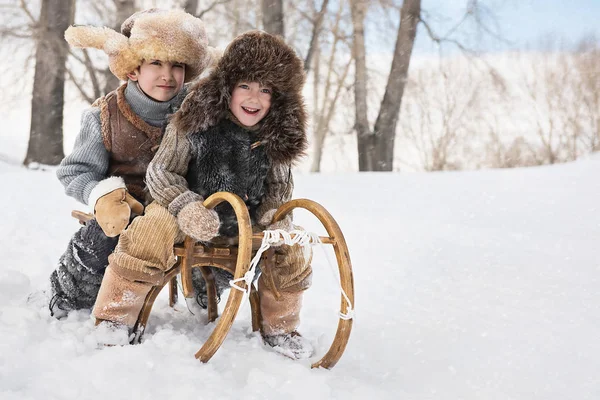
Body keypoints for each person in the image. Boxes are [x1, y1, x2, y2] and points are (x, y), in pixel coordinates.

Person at [95, 30, 314, 359]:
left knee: (291, 246)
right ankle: (115, 315)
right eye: (245, 86)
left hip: (246, 221)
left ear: (278, 97)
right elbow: (162, 171)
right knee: (149, 229)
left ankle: (281, 326)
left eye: (265, 90)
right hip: (183, 211)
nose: (254, 98)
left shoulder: (274, 135)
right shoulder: (194, 119)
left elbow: (279, 189)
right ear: (228, 87)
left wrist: (274, 218)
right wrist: (186, 206)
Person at [48, 8, 215, 318]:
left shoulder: (198, 110)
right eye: (155, 63)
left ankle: (207, 286)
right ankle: (71, 293)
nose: (167, 75)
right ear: (133, 69)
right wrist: (103, 196)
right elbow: (76, 171)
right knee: (102, 235)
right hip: (126, 205)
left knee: (216, 232)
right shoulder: (104, 116)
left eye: (177, 65)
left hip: (176, 207)